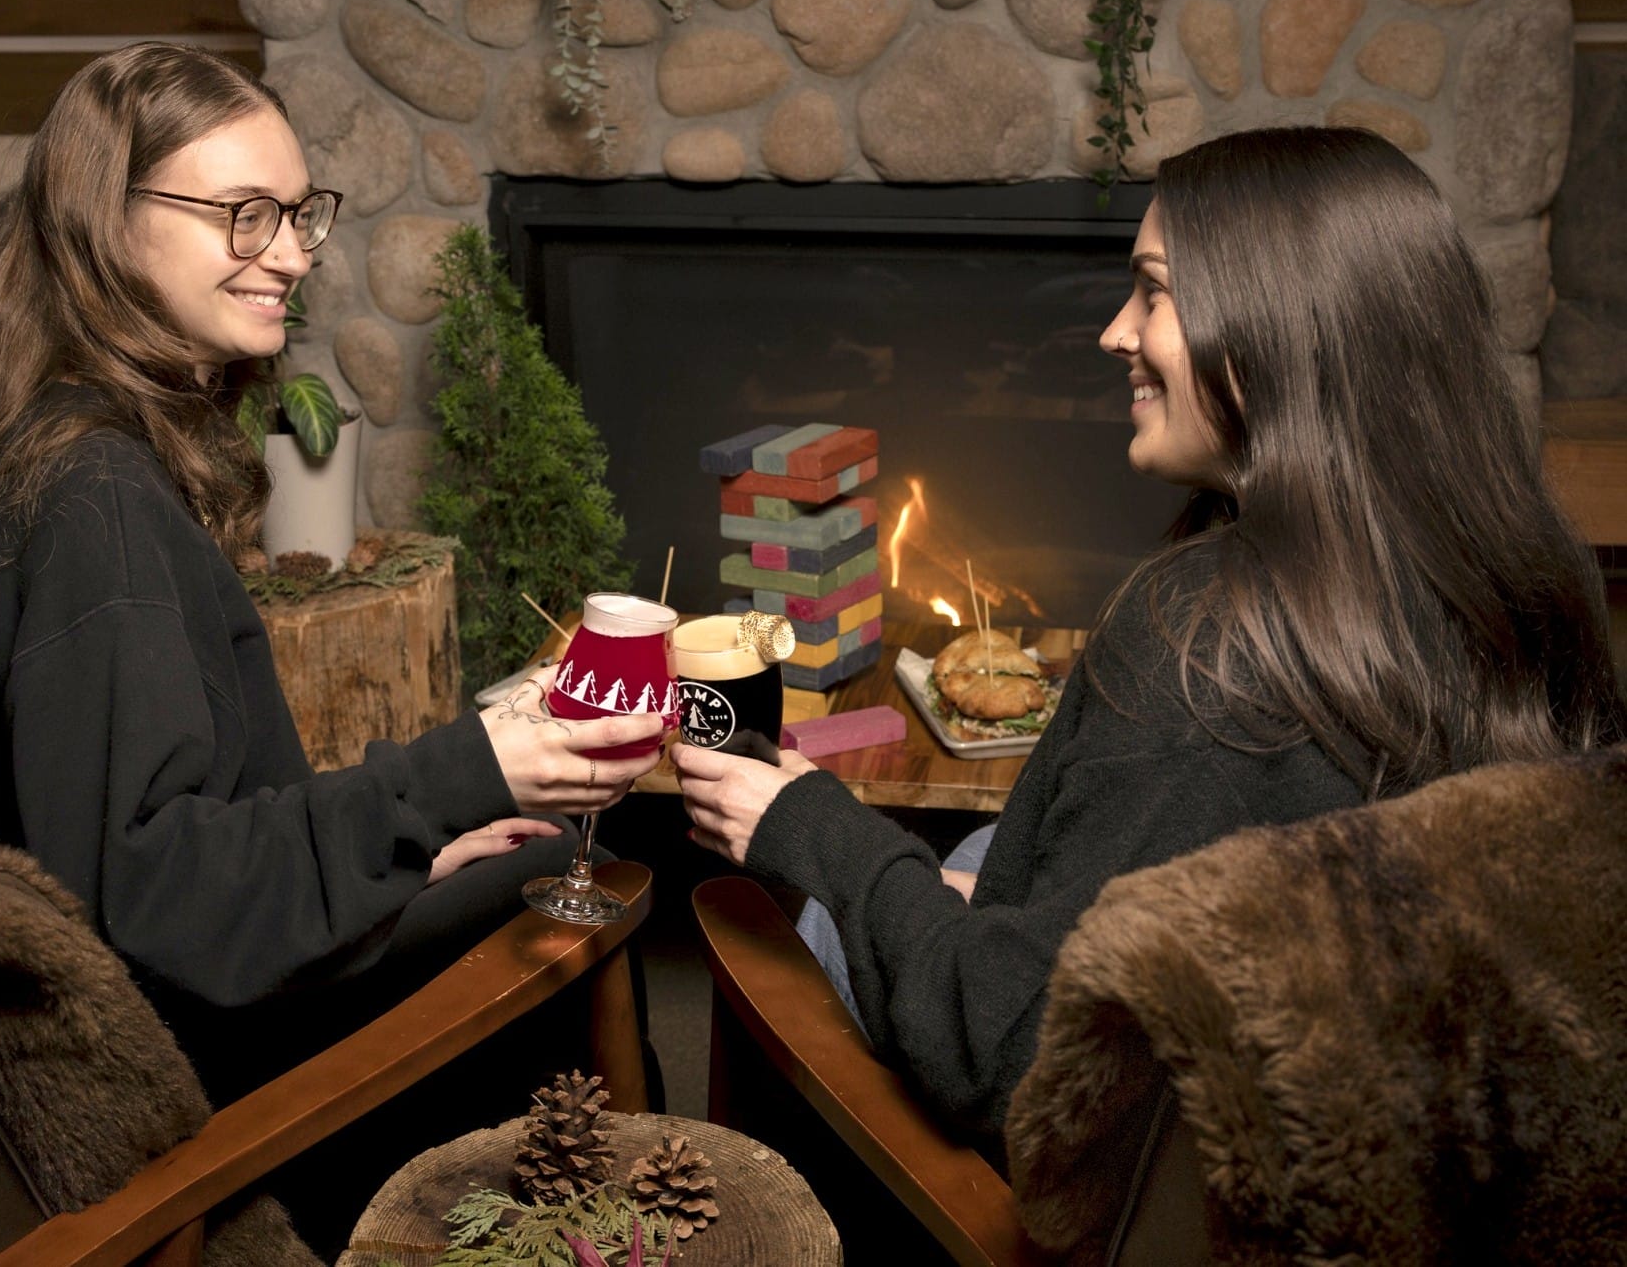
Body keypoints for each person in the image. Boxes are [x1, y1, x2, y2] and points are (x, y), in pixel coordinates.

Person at [674, 126, 1620, 1143]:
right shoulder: (1521, 559)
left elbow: (1012, 1057)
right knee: (988, 848)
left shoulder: (1205, 644)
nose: (1113, 332)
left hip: (1160, 1175)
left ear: (1274, 329)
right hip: (1411, 1116)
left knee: (797, 919)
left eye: (1153, 291)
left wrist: (816, 827)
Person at [0, 44, 662, 1228]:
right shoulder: (91, 504)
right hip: (187, 1073)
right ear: (104, 223)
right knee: (572, 883)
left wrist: (401, 857)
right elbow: (156, 899)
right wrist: (466, 766)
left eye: (298, 211)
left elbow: (172, 829)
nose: (292, 251)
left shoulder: (69, 449)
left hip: (195, 982)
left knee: (505, 857)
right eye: (242, 214)